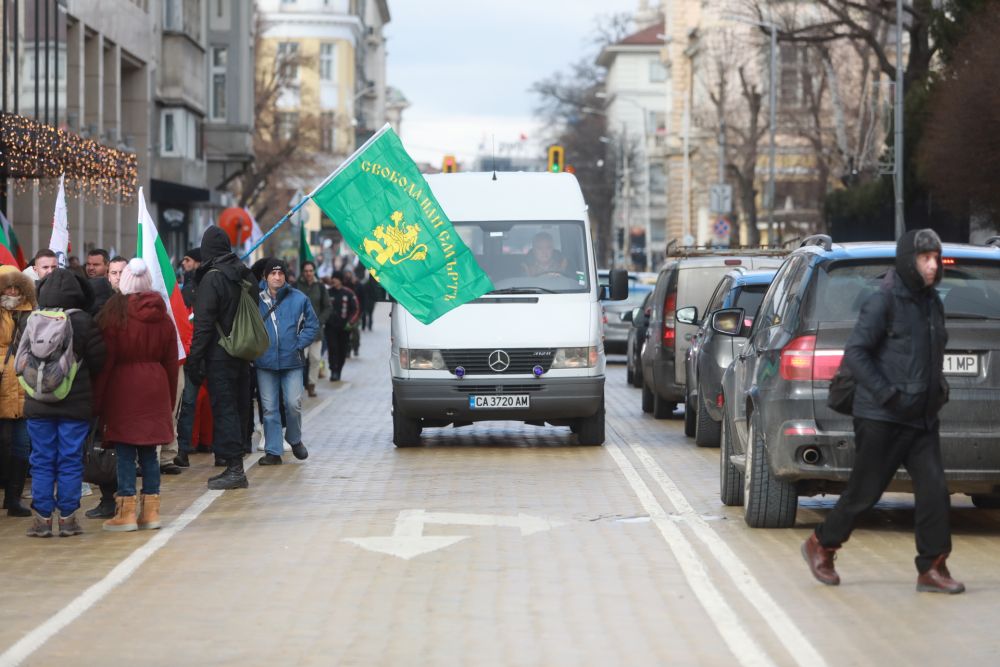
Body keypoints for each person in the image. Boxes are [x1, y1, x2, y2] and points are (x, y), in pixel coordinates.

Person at [802, 229, 963, 594]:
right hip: (882, 417)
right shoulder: (884, 301)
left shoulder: (931, 304)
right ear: (908, 260)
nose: (932, 266)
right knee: (865, 493)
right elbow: (856, 354)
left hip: (921, 419)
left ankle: (932, 567)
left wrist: (938, 389)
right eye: (925, 259)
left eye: (936, 259)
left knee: (935, 491)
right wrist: (888, 395)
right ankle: (821, 544)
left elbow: (931, 356)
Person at [94, 259, 178, 531]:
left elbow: (106, 362)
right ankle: (151, 512)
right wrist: (169, 399)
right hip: (156, 386)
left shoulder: (115, 315)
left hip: (123, 388)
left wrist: (98, 399)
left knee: (126, 450)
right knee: (150, 453)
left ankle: (126, 511)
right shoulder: (163, 317)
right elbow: (171, 363)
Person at [23, 269, 106, 538]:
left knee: (42, 460)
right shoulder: (84, 321)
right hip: (75, 405)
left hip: (37, 405)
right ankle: (68, 520)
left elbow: (20, 358)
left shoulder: (32, 319)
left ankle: (42, 520)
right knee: (70, 460)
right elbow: (98, 362)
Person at [186, 226, 256, 490]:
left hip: (219, 354)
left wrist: (195, 359)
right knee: (239, 406)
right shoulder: (244, 274)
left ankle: (234, 468)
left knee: (224, 408)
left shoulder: (212, 279)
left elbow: (204, 325)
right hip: (243, 350)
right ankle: (235, 460)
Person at [255, 258, 318, 465]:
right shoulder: (256, 299)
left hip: (292, 361)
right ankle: (273, 451)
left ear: (286, 276)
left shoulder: (299, 298)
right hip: (265, 361)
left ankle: (294, 438)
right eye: (272, 273)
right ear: (265, 277)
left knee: (293, 404)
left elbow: (312, 324)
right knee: (270, 408)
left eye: (280, 273)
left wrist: (299, 344)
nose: (277, 277)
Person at [0, 266, 35, 518]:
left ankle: (13, 498)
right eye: (7, 287)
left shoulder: (32, 314)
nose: (12, 292)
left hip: (24, 388)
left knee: (22, 447)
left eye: (16, 288)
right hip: (2, 386)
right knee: (3, 445)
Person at [295, 260, 330, 397]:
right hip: (300, 330)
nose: (308, 273)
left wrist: (320, 321)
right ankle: (298, 385)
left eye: (311, 271)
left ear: (314, 271)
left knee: (315, 359)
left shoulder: (320, 287)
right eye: (306, 271)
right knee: (299, 360)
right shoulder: (296, 286)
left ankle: (311, 385)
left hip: (316, 331)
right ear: (303, 272)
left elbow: (327, 307)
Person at [325, 271, 358, 382]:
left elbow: (356, 309)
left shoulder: (348, 293)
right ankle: (333, 370)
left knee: (342, 350)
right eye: (333, 278)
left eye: (336, 278)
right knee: (332, 348)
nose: (334, 280)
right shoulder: (327, 293)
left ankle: (338, 370)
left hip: (344, 328)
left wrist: (351, 322)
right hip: (330, 327)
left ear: (340, 280)